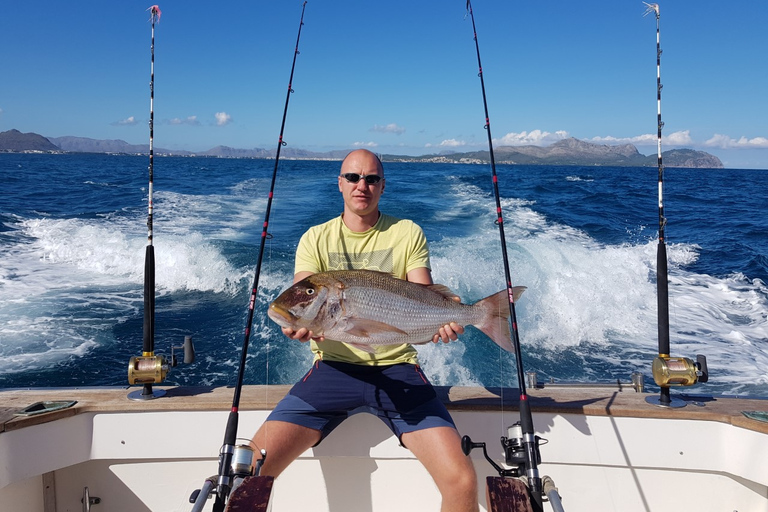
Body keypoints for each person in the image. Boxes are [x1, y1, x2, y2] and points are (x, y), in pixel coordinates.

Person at [251, 149, 478, 512]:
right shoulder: (316, 238)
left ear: (382, 187)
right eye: (353, 178)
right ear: (340, 184)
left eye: (371, 178)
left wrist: (445, 321)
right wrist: (297, 326)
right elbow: (301, 294)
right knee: (250, 468)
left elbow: (422, 291)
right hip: (333, 371)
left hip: (399, 372)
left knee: (462, 480)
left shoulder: (407, 233)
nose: (362, 185)